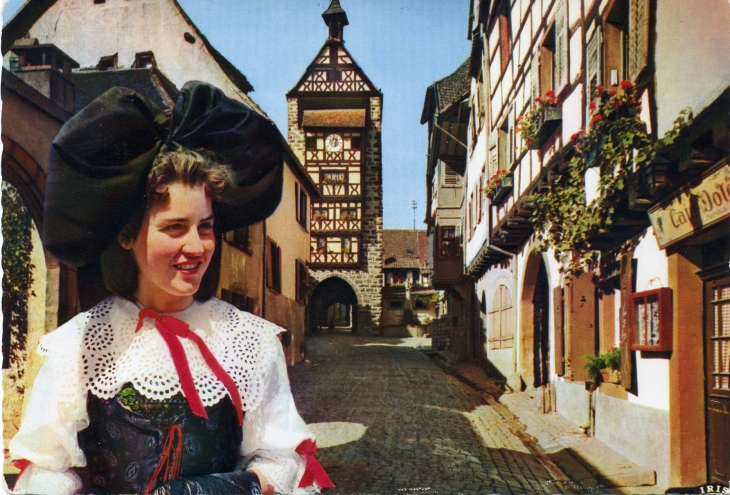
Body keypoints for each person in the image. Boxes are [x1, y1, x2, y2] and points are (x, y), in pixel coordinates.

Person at [8, 82, 334, 495]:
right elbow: (46, 470)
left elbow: (281, 460)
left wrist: (213, 490)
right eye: (175, 228)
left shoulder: (251, 342)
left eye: (206, 227)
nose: (196, 247)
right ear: (127, 235)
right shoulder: (78, 346)